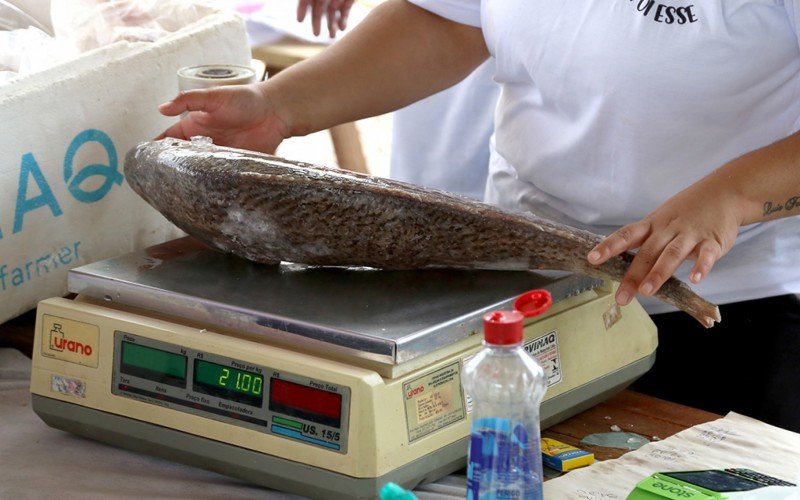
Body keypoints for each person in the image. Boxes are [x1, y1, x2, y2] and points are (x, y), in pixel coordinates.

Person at [157, 0, 800, 431]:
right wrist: (281, 106)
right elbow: (451, 21)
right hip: (524, 282)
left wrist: (736, 195)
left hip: (732, 306)